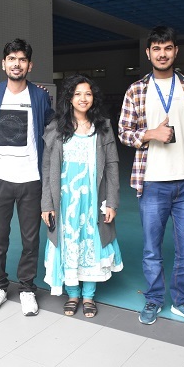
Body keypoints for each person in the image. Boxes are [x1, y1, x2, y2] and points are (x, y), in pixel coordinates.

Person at [118, 26, 184, 326]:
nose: (162, 54)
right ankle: (154, 299)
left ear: (176, 51)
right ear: (148, 53)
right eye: (156, 49)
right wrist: (151, 134)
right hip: (152, 182)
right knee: (151, 248)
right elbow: (124, 132)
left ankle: (182, 302)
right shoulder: (136, 90)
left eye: (167, 48)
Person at [41, 74, 123, 318]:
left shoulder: (103, 127)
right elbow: (47, 169)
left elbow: (112, 166)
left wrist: (112, 202)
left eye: (88, 93)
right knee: (67, 244)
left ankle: (88, 296)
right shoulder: (56, 129)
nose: (83, 98)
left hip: (93, 202)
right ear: (69, 98)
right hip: (64, 202)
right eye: (77, 94)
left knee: (93, 243)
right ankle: (72, 293)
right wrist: (47, 204)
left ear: (94, 98)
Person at [0, 38, 53, 315]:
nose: (16, 63)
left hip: (30, 179)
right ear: (4, 63)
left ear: (29, 65)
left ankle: (26, 288)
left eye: (22, 59)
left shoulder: (39, 94)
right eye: (12, 59)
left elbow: (51, 124)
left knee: (30, 240)